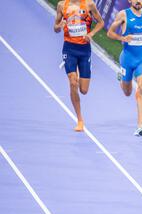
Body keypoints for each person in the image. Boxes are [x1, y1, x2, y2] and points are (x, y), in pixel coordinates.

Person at [107, 0, 142, 136]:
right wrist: (122, 38)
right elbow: (110, 33)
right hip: (127, 59)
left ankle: (140, 126)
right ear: (130, 1)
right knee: (127, 92)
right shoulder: (123, 15)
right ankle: (121, 77)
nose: (138, 1)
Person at [53, 0, 104, 132]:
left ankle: (79, 83)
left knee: (84, 90)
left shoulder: (89, 4)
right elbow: (55, 28)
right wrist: (60, 25)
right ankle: (80, 119)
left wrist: (91, 34)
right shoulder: (62, 5)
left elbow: (101, 22)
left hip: (84, 51)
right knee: (73, 81)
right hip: (69, 49)